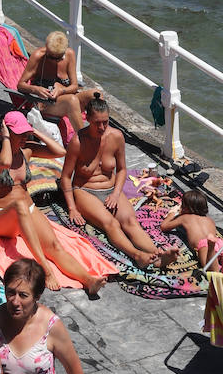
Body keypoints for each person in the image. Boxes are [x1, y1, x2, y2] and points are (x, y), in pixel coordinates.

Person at [0, 111, 107, 297]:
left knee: (54, 245)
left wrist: (34, 131)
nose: (24, 138)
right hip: (1, 216)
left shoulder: (27, 150)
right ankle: (46, 269)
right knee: (19, 205)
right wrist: (4, 137)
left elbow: (60, 151)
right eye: (19, 134)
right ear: (6, 132)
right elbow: (6, 162)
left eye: (25, 133)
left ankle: (88, 280)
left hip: (26, 210)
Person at [59, 97, 180, 270]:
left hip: (110, 189)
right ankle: (137, 255)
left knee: (131, 221)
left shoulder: (116, 136)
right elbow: (65, 177)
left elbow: (122, 169)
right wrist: (72, 208)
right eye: (97, 123)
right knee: (111, 223)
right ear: (87, 119)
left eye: (105, 122)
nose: (101, 127)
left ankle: (159, 255)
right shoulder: (78, 142)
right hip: (85, 190)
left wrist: (116, 194)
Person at [16, 30, 100, 139]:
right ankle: (86, 142)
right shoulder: (38, 57)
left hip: (65, 98)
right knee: (72, 100)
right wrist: (36, 89)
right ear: (46, 49)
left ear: (64, 53)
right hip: (45, 104)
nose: (55, 61)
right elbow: (20, 85)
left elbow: (74, 86)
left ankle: (98, 134)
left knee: (96, 95)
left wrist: (62, 90)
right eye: (51, 57)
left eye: (58, 58)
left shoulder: (69, 55)